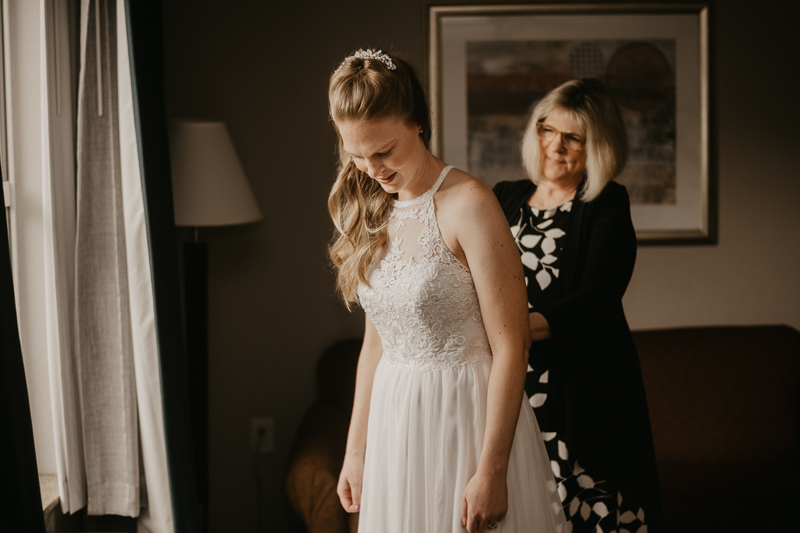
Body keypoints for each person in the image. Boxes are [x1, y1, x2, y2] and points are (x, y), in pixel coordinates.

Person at [328, 49, 566, 533]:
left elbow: (511, 344)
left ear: (417, 123)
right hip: (396, 423)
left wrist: (492, 471)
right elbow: (376, 346)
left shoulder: (470, 204)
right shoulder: (374, 209)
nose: (372, 169)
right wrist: (357, 450)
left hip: (465, 419)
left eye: (384, 150)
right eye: (356, 154)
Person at [492, 78, 662, 532]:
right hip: (513, 384)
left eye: (573, 138)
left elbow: (597, 300)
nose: (555, 145)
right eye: (548, 129)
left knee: (590, 511)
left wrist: (508, 334)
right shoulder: (502, 198)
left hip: (583, 388)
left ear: (598, 146)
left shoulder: (606, 203)